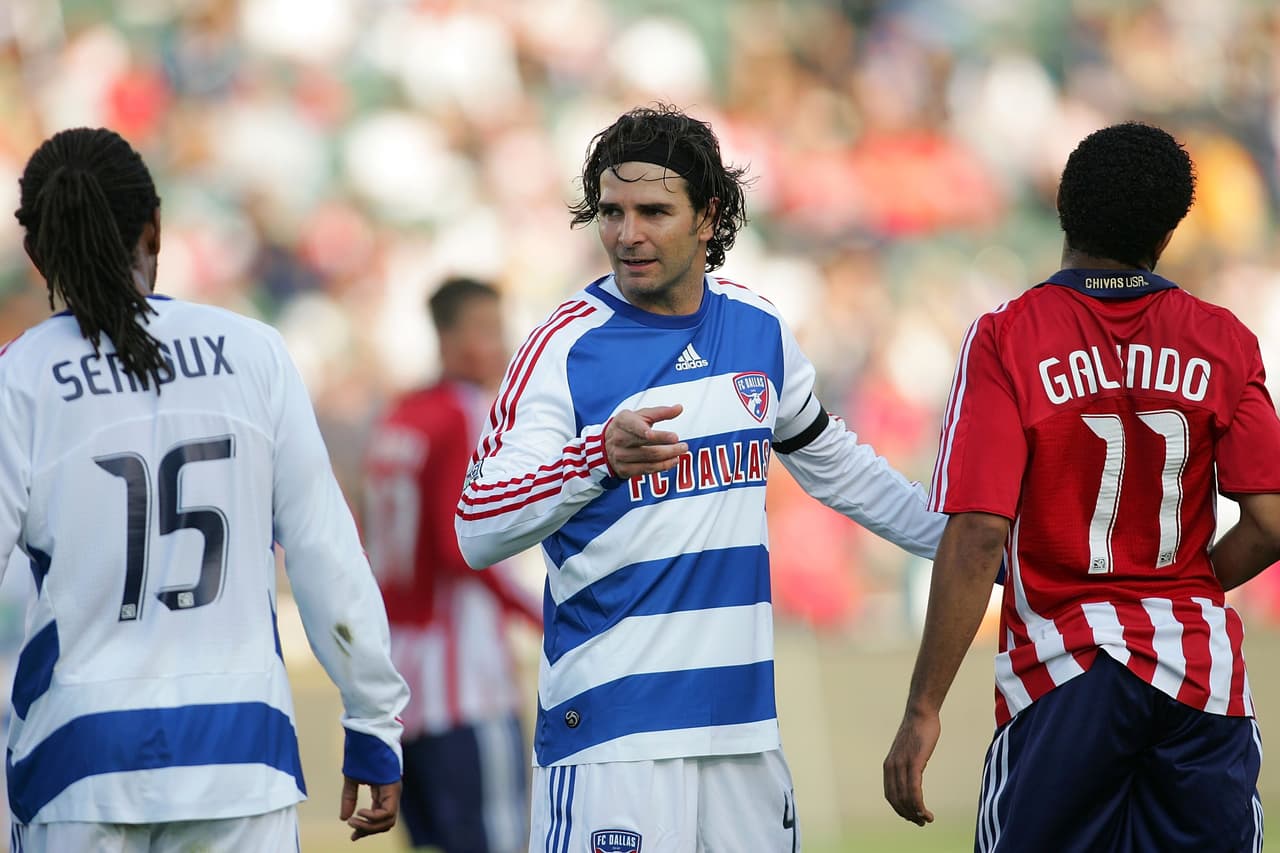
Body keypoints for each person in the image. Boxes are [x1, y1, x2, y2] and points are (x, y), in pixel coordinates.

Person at [454, 103, 946, 851]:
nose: (628, 234)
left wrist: (965, 542)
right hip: (615, 738)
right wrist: (594, 459)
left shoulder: (758, 328)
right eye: (611, 212)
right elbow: (477, 526)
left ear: (709, 215)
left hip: (742, 733)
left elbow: (838, 465)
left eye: (653, 210)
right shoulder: (562, 347)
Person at [0, 127, 409, 851]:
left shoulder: (19, 379)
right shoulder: (256, 351)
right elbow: (323, 549)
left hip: (78, 762)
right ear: (154, 227)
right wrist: (373, 716)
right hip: (242, 752)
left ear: (34, 255)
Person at [882, 122, 1280, 851]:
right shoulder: (1224, 337)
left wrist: (923, 707)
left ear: (1064, 207)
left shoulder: (1007, 336)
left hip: (1066, 671)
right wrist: (1190, 583)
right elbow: (1272, 520)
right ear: (1168, 233)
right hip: (1200, 677)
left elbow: (978, 535)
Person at [364, 277, 539, 852]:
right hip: (463, 681)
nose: (501, 344)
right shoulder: (464, 411)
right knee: (497, 839)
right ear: (450, 337)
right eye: (487, 330)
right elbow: (458, 543)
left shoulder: (402, 414)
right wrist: (537, 613)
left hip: (399, 676)